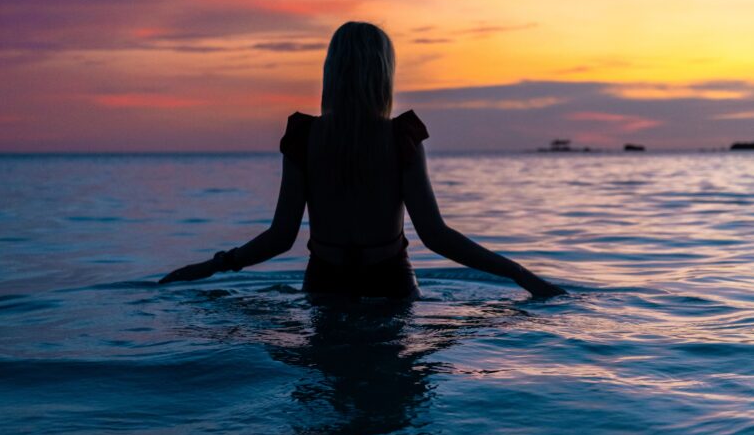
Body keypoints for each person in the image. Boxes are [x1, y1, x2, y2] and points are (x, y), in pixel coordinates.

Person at [160, 22, 565, 299]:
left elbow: (281, 237)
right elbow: (436, 236)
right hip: (390, 286)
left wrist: (212, 266)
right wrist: (520, 274)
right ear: (384, 72)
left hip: (324, 284)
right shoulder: (400, 138)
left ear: (331, 72)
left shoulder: (304, 137)